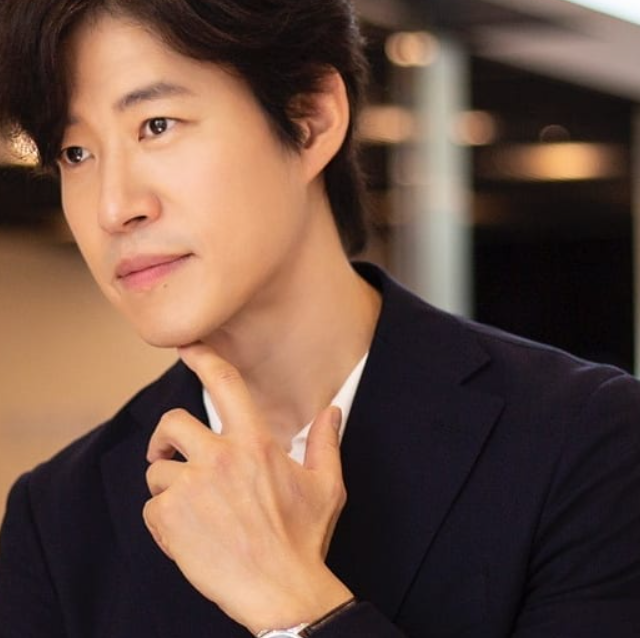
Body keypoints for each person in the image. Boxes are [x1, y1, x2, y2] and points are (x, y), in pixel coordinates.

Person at [0, 0, 639, 636]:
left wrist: (293, 603)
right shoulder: (57, 517)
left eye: (157, 125)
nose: (114, 208)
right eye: (74, 153)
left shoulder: (584, 441)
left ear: (310, 118)